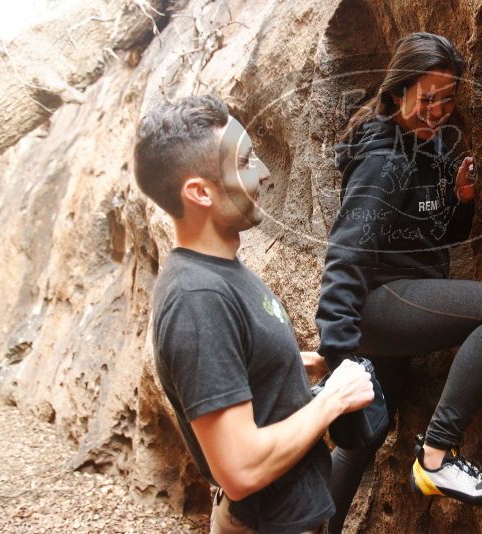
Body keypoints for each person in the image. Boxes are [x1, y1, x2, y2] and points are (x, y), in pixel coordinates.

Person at [315, 32, 482, 531]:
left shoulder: (425, 149)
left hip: (399, 298)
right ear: (399, 92)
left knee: (364, 437)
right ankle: (436, 458)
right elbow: (346, 253)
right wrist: (338, 351)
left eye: (449, 96)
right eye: (427, 96)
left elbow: (435, 236)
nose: (438, 108)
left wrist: (460, 201)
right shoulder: (384, 159)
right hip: (379, 303)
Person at [133, 95, 375, 534]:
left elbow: (229, 360)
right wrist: (335, 398)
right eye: (245, 161)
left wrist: (282, 363)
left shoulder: (221, 271)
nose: (263, 172)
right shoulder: (197, 297)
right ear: (199, 192)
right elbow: (240, 470)